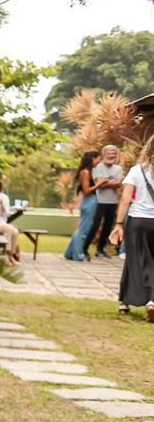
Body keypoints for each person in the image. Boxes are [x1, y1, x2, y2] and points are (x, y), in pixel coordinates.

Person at [108, 134, 154, 321]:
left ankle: (127, 302)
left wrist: (118, 224)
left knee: (134, 260)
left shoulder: (137, 171)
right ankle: (144, 300)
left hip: (137, 221)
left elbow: (126, 199)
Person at [64, 151, 102, 262]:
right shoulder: (85, 172)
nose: (99, 162)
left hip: (90, 201)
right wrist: (100, 184)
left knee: (82, 229)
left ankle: (70, 252)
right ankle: (78, 255)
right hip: (89, 201)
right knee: (83, 230)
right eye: (98, 159)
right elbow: (86, 191)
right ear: (93, 159)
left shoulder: (86, 172)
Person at [90, 145, 125, 258]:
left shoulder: (118, 169)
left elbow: (119, 184)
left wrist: (105, 182)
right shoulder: (98, 167)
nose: (111, 156)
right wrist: (109, 182)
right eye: (109, 153)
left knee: (108, 227)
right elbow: (99, 185)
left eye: (113, 154)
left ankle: (100, 249)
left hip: (112, 202)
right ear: (104, 154)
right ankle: (84, 247)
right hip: (99, 201)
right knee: (95, 225)